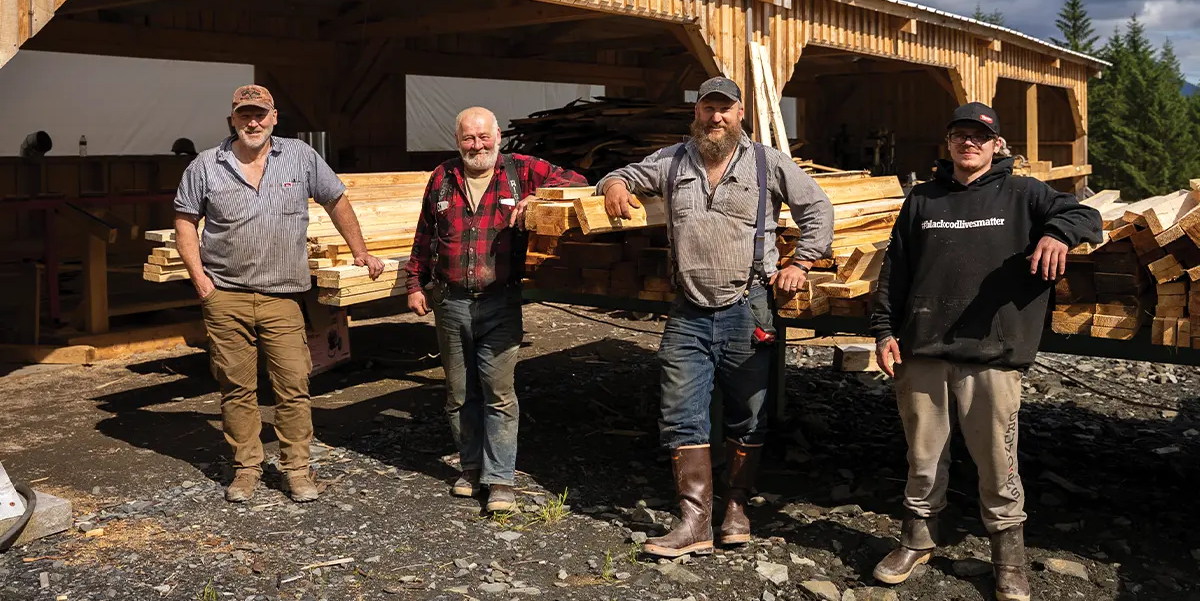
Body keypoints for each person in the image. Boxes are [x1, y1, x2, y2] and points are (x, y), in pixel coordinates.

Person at [869, 102, 1102, 601]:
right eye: (959, 134)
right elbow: (896, 271)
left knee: (998, 461)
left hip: (994, 353)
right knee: (923, 455)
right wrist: (884, 330)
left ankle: (1008, 557)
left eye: (979, 135)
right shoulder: (923, 200)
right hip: (923, 348)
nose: (968, 142)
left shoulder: (1023, 193)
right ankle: (917, 539)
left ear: (998, 144)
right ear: (948, 143)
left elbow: (1086, 213)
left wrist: (1058, 233)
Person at [598, 76, 834, 558]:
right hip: (688, 309)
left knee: (749, 412)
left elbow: (818, 208)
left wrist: (800, 262)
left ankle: (737, 508)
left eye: (725, 109)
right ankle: (694, 520)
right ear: (697, 112)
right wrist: (616, 184)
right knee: (680, 410)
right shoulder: (672, 160)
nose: (716, 117)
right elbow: (617, 174)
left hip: (748, 307)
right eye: (708, 108)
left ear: (740, 113)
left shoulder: (768, 163)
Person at [174, 85, 384, 503]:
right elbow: (184, 221)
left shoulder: (301, 157)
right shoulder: (205, 165)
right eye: (243, 115)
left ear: (274, 117)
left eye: (260, 114)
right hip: (226, 296)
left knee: (293, 384)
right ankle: (247, 469)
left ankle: (297, 470)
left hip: (283, 297)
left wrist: (360, 250)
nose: (252, 122)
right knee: (236, 388)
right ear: (231, 119)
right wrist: (201, 282)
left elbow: (337, 199)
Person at [405, 107, 587, 513]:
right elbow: (424, 235)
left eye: (484, 137)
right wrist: (414, 283)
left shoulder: (519, 171)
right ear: (458, 140)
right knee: (457, 393)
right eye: (469, 138)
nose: (477, 145)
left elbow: (577, 181)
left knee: (498, 393)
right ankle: (471, 469)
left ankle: (500, 479)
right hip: (450, 301)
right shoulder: (442, 177)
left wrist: (536, 197)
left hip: (499, 301)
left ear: (498, 136)